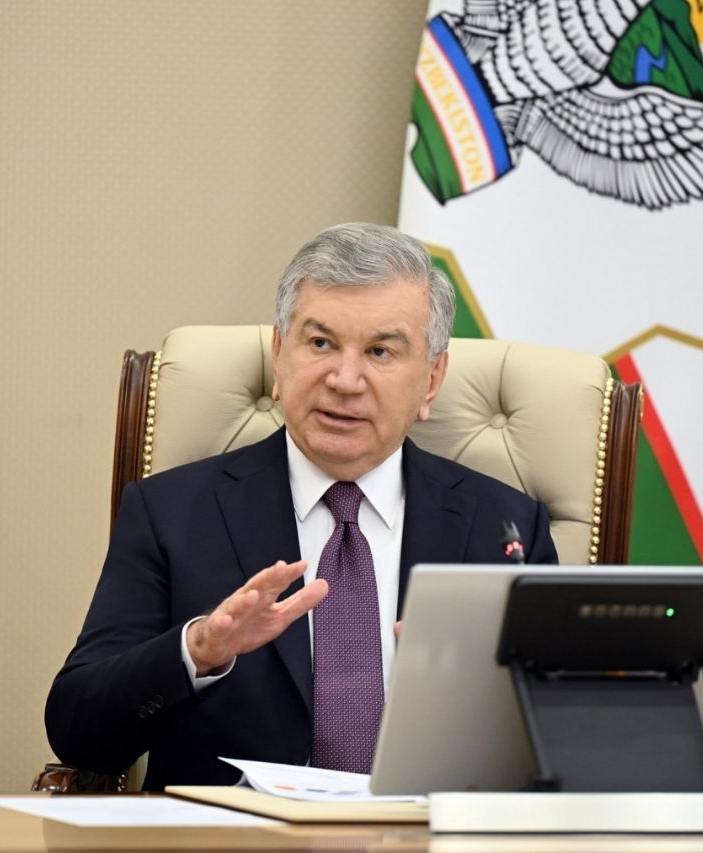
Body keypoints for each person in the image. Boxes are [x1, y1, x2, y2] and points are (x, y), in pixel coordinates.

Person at [45, 223, 558, 789]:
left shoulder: (507, 529)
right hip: (227, 833)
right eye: (320, 343)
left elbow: (560, 750)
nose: (344, 379)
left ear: (432, 380)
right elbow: (78, 731)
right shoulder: (170, 513)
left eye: (380, 351)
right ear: (279, 354)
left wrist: (482, 700)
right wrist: (197, 652)